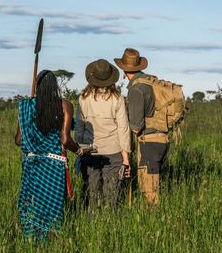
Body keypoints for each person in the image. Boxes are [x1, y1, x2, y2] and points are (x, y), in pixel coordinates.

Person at [14, 70, 78, 240]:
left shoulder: (25, 106)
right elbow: (65, 140)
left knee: (32, 204)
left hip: (32, 164)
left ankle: (32, 239)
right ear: (55, 86)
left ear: (37, 86)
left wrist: (31, 128)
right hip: (53, 165)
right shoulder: (64, 105)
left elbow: (18, 140)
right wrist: (79, 150)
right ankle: (51, 239)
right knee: (52, 206)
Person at [114, 48, 169, 205]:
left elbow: (136, 126)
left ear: (124, 70)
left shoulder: (136, 88)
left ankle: (153, 220)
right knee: (154, 183)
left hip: (149, 142)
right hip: (161, 138)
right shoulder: (150, 80)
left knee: (149, 188)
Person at [74, 59, 131, 209]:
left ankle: (90, 224)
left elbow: (79, 126)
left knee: (90, 193)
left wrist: (79, 148)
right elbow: (123, 129)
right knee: (112, 195)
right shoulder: (117, 98)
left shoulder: (83, 98)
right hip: (113, 151)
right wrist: (126, 158)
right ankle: (111, 224)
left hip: (89, 150)